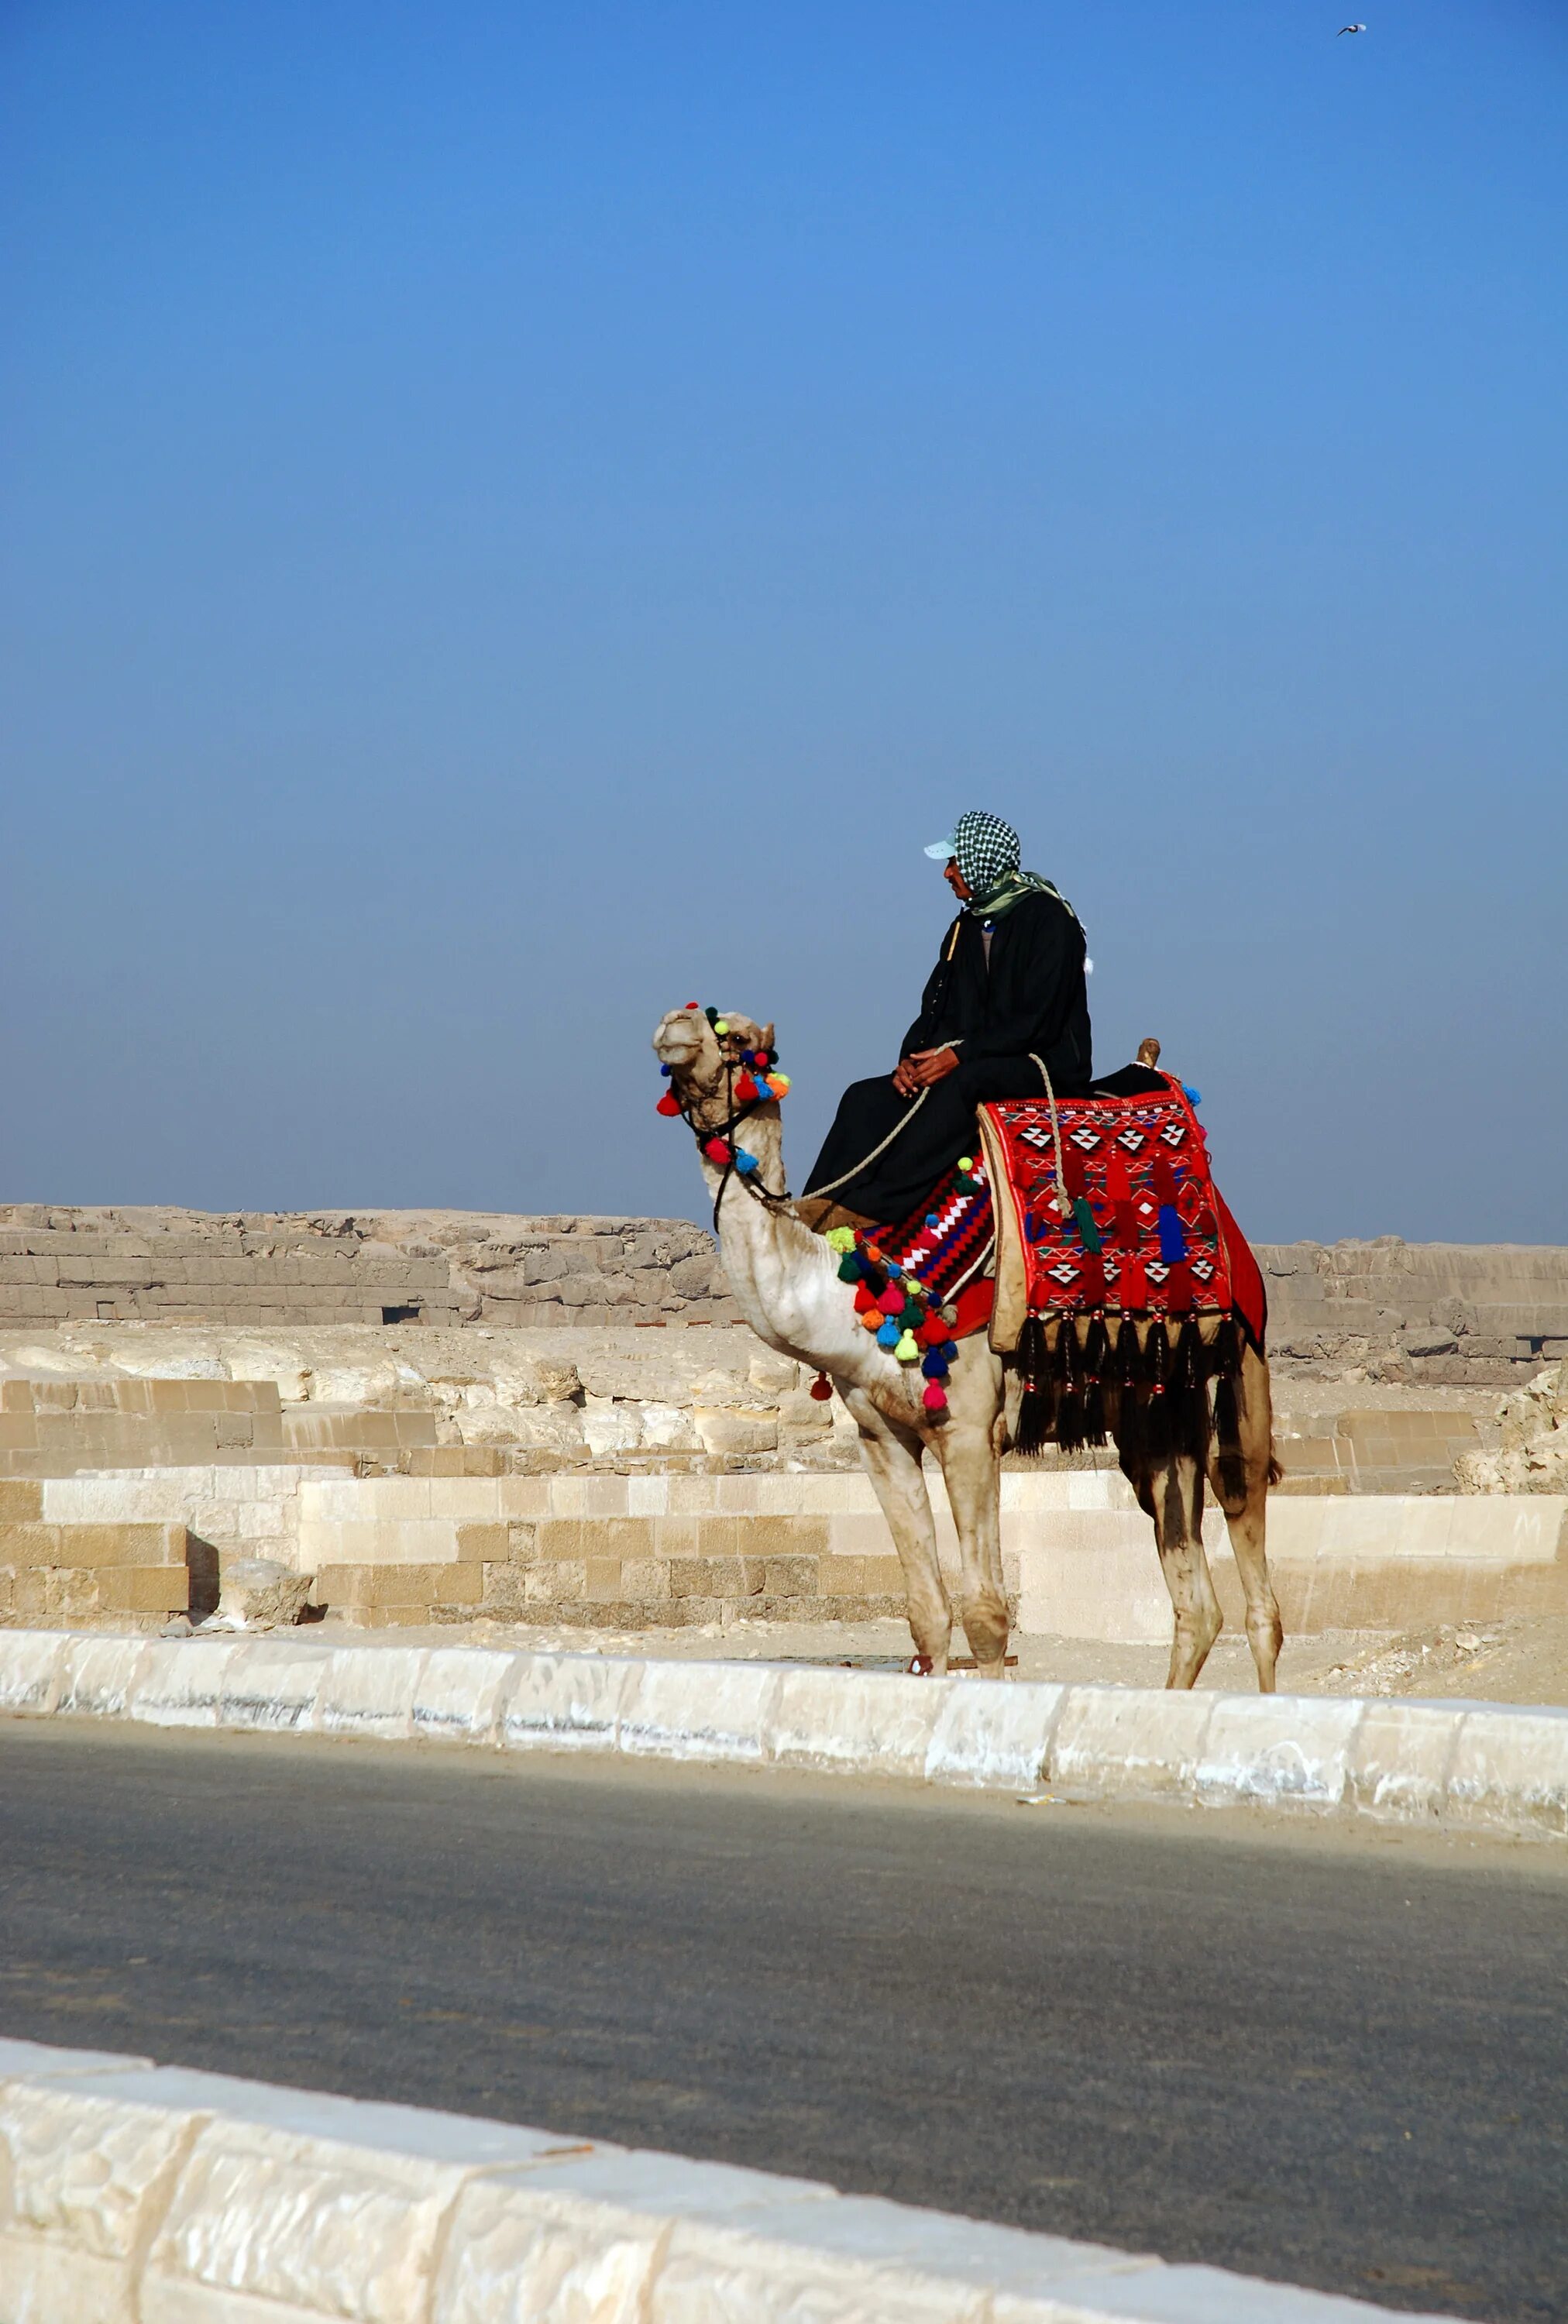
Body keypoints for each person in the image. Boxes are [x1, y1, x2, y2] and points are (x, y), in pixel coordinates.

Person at [799, 810, 1096, 1228]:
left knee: (963, 1083)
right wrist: (913, 1060)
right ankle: (821, 1203)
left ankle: (880, 1206)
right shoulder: (966, 927)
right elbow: (937, 1009)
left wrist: (959, 1057)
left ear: (980, 861)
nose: (946, 873)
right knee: (865, 1097)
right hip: (973, 1056)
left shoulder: (1050, 921)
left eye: (954, 862)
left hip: (1041, 1063)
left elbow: (1037, 1022)